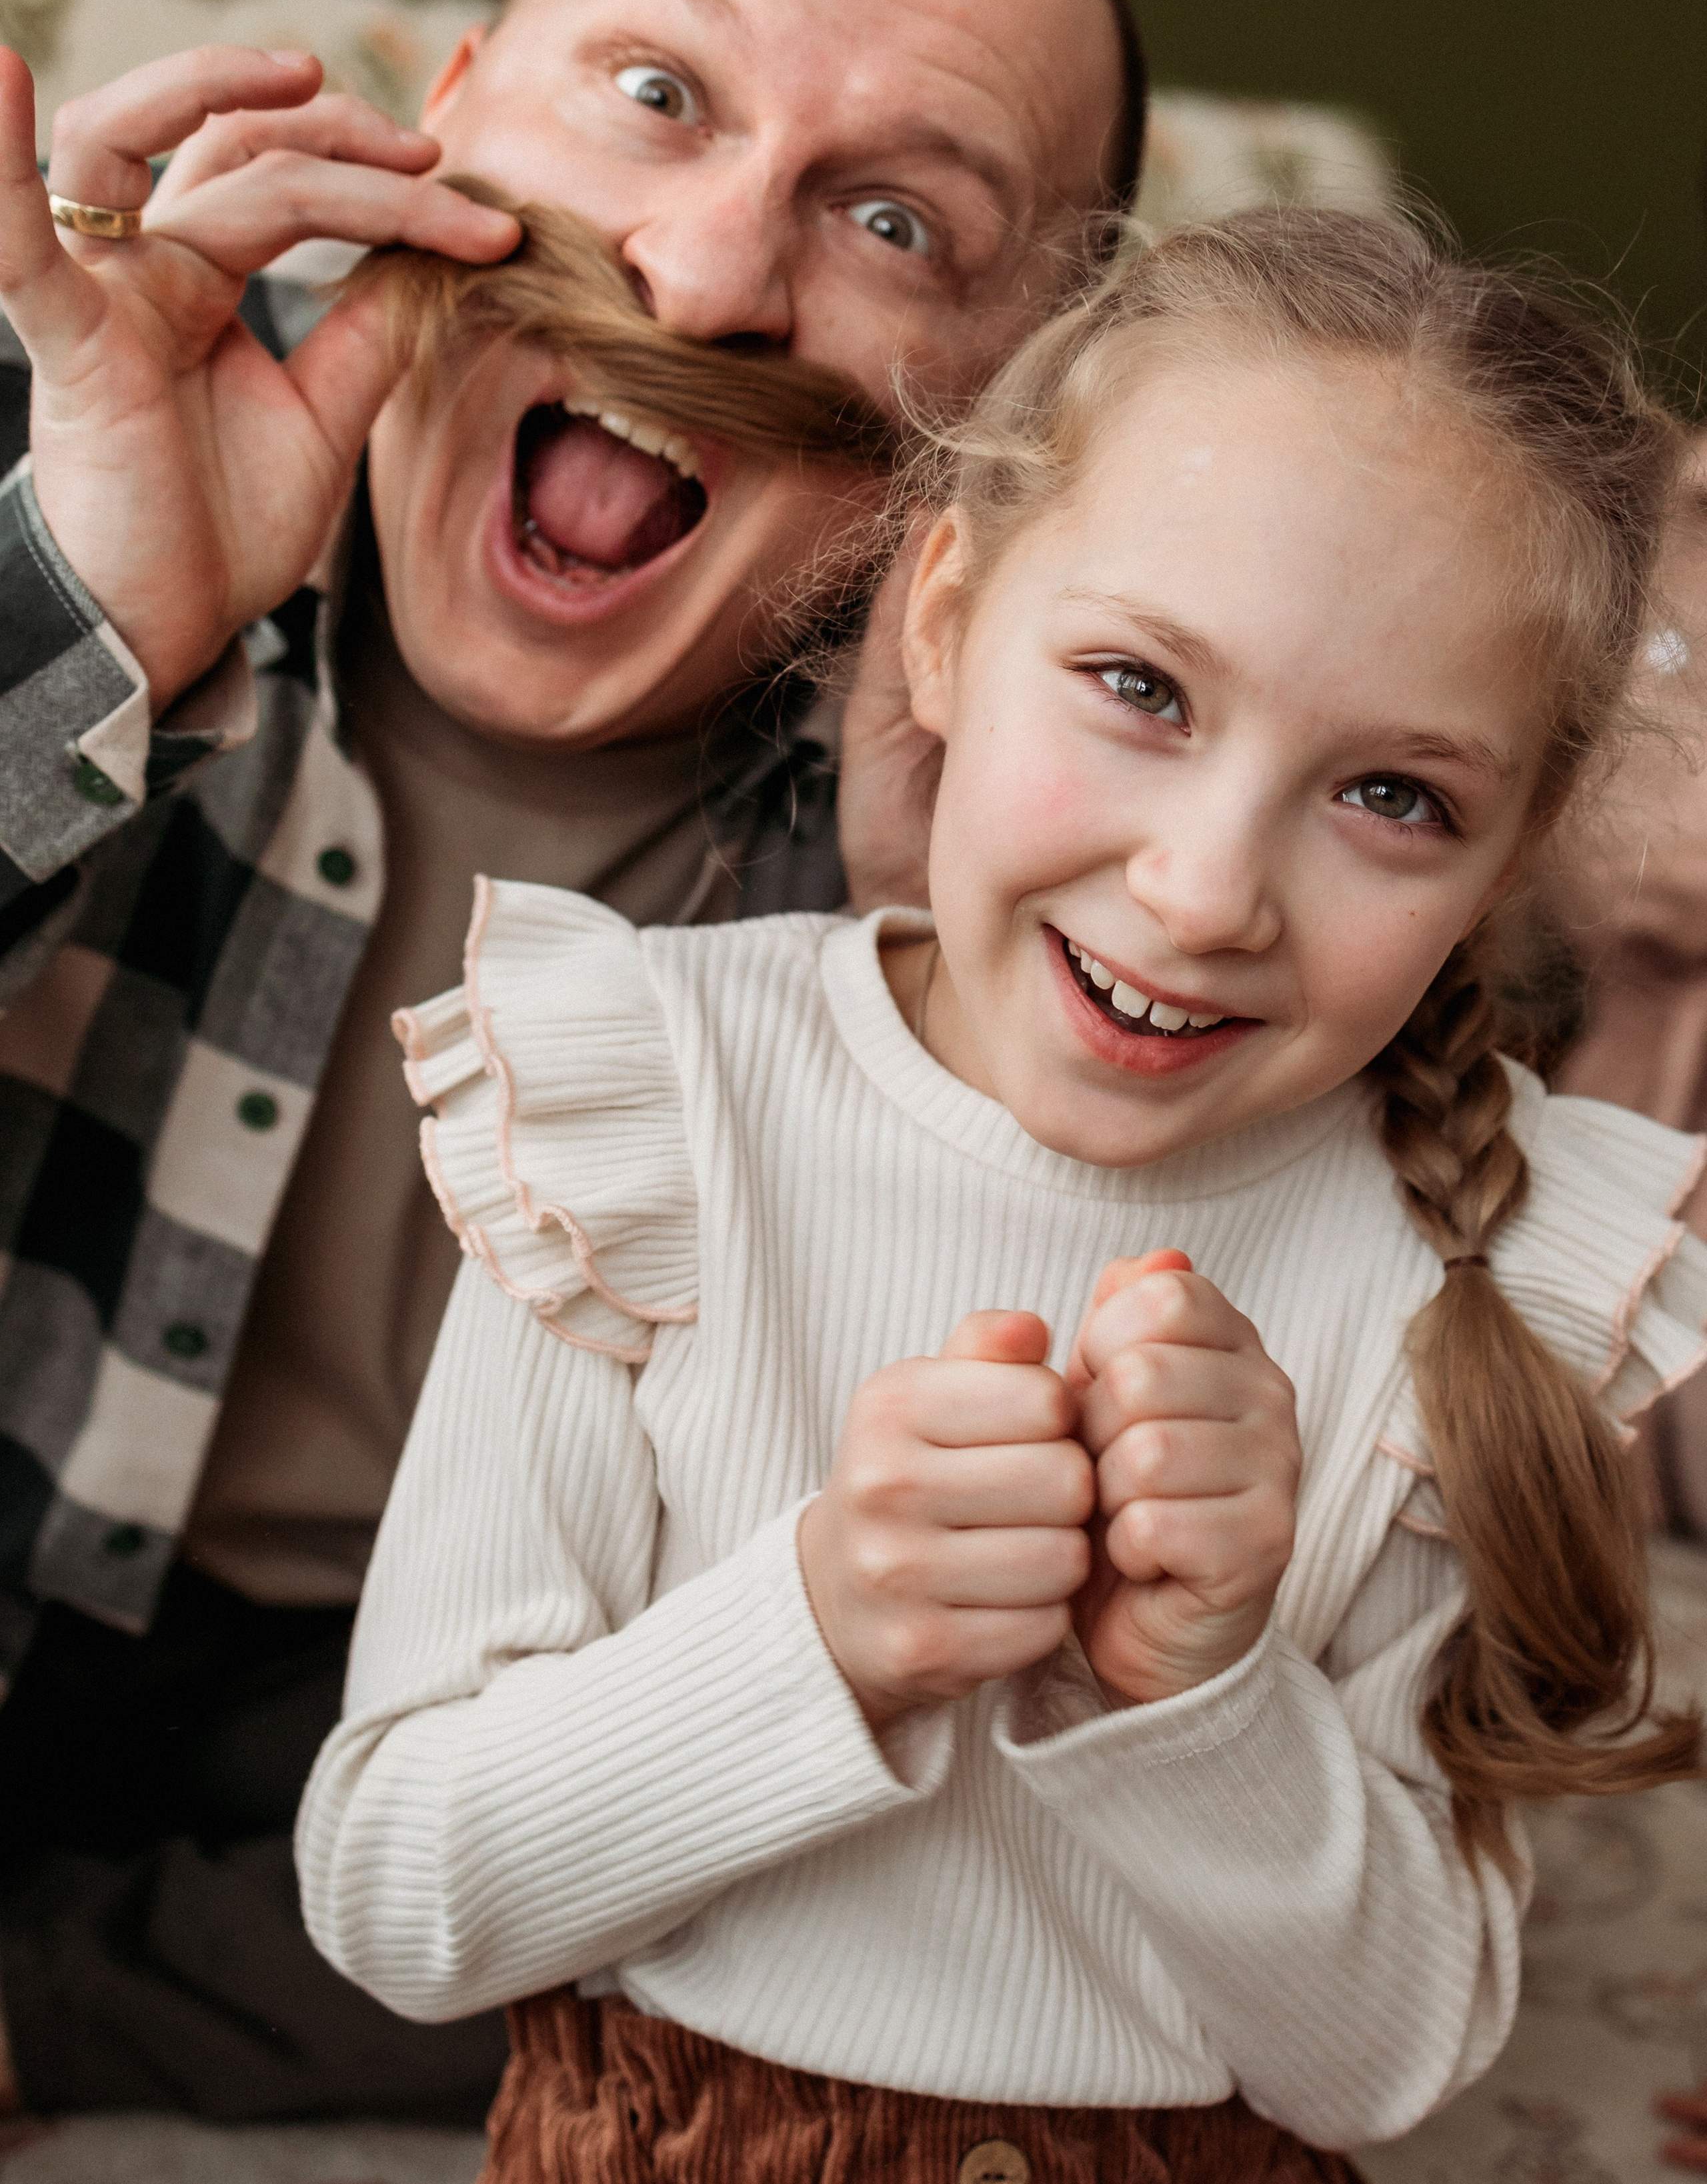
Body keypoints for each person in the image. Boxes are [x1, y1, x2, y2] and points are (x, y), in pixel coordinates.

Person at [297, 208, 1706, 2180]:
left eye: (1393, 796)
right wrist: (820, 1624)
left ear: (1511, 851)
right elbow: (398, 1890)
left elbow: (1389, 2064)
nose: (1208, 890)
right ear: (946, 614)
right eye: (1141, 685)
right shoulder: (653, 1101)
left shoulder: (1459, 1259)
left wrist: (1214, 1691)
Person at [0, 0, 1141, 2120]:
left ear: (1024, 391)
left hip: (458, 1722)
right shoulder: (73, 417)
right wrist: (79, 623)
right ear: (458, 106)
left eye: (900, 221)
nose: (712, 270)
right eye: (652, 90)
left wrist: (960, 979)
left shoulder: (1025, 822)